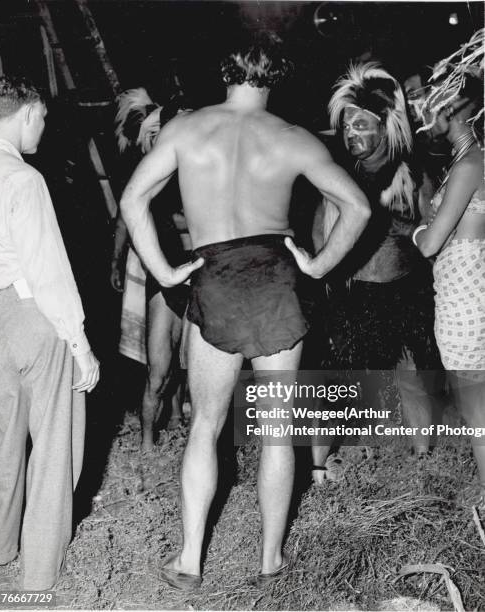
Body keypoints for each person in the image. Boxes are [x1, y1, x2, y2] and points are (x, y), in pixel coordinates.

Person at [121, 32, 370, 590]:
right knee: (278, 431)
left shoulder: (186, 128)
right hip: (277, 280)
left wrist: (163, 273)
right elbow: (356, 205)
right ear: (277, 76)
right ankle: (270, 562)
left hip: (216, 278)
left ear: (225, 71)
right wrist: (317, 266)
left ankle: (189, 561)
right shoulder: (293, 138)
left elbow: (132, 198)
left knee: (205, 425)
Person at [311, 63, 444, 484]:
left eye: (361, 126)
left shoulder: (416, 174)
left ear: (385, 125)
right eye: (347, 128)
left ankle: (422, 453)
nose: (351, 135)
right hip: (358, 292)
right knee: (351, 379)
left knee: (411, 373)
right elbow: (322, 235)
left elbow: (437, 231)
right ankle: (340, 456)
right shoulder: (341, 179)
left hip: (408, 289)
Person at [0, 76, 100, 590]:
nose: (45, 126)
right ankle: (36, 577)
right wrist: (80, 346)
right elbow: (48, 270)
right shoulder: (23, 178)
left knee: (1, 438)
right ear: (27, 113)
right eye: (42, 116)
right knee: (55, 441)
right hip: (30, 312)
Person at [413, 29, 485, 507]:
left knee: (477, 406)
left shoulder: (470, 165)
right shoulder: (464, 161)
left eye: (431, 104)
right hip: (463, 291)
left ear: (455, 107)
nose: (423, 115)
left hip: (466, 298)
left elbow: (429, 243)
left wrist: (420, 230)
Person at [113, 88, 191, 449]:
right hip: (165, 278)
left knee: (187, 364)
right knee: (159, 368)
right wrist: (116, 261)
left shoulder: (194, 169)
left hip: (196, 275)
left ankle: (177, 417)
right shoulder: (149, 176)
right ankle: (146, 442)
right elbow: (126, 218)